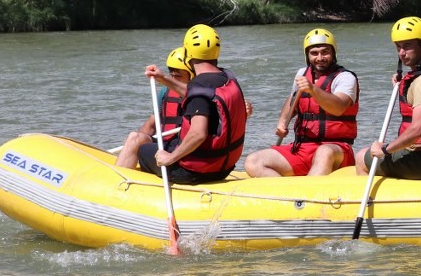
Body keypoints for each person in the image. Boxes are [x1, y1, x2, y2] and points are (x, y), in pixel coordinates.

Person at [138, 24, 249, 185]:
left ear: (187, 54)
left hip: (195, 172)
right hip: (225, 167)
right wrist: (163, 78)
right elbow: (198, 95)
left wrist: (170, 158)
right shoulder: (225, 78)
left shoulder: (200, 87)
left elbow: (198, 134)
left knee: (143, 150)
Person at [355, 16, 421, 180]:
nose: (401, 53)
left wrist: (385, 149)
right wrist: (403, 83)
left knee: (361, 157)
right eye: (398, 47)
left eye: (407, 46)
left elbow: (417, 130)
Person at [244, 28, 359, 177]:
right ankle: (288, 192)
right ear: (307, 55)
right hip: (302, 148)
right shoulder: (302, 74)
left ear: (333, 53)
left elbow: (339, 107)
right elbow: (293, 100)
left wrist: (313, 89)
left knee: (324, 152)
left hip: (337, 149)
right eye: (314, 53)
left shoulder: (345, 78)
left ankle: (310, 190)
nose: (320, 58)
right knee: (253, 162)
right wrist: (282, 121)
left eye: (325, 52)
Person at [114, 47, 193, 169]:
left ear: (192, 75)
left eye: (178, 76)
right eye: (171, 75)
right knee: (135, 137)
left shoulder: (201, 97)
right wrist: (131, 144)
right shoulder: (165, 92)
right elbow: (151, 125)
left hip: (185, 152)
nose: (173, 80)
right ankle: (119, 173)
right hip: (165, 147)